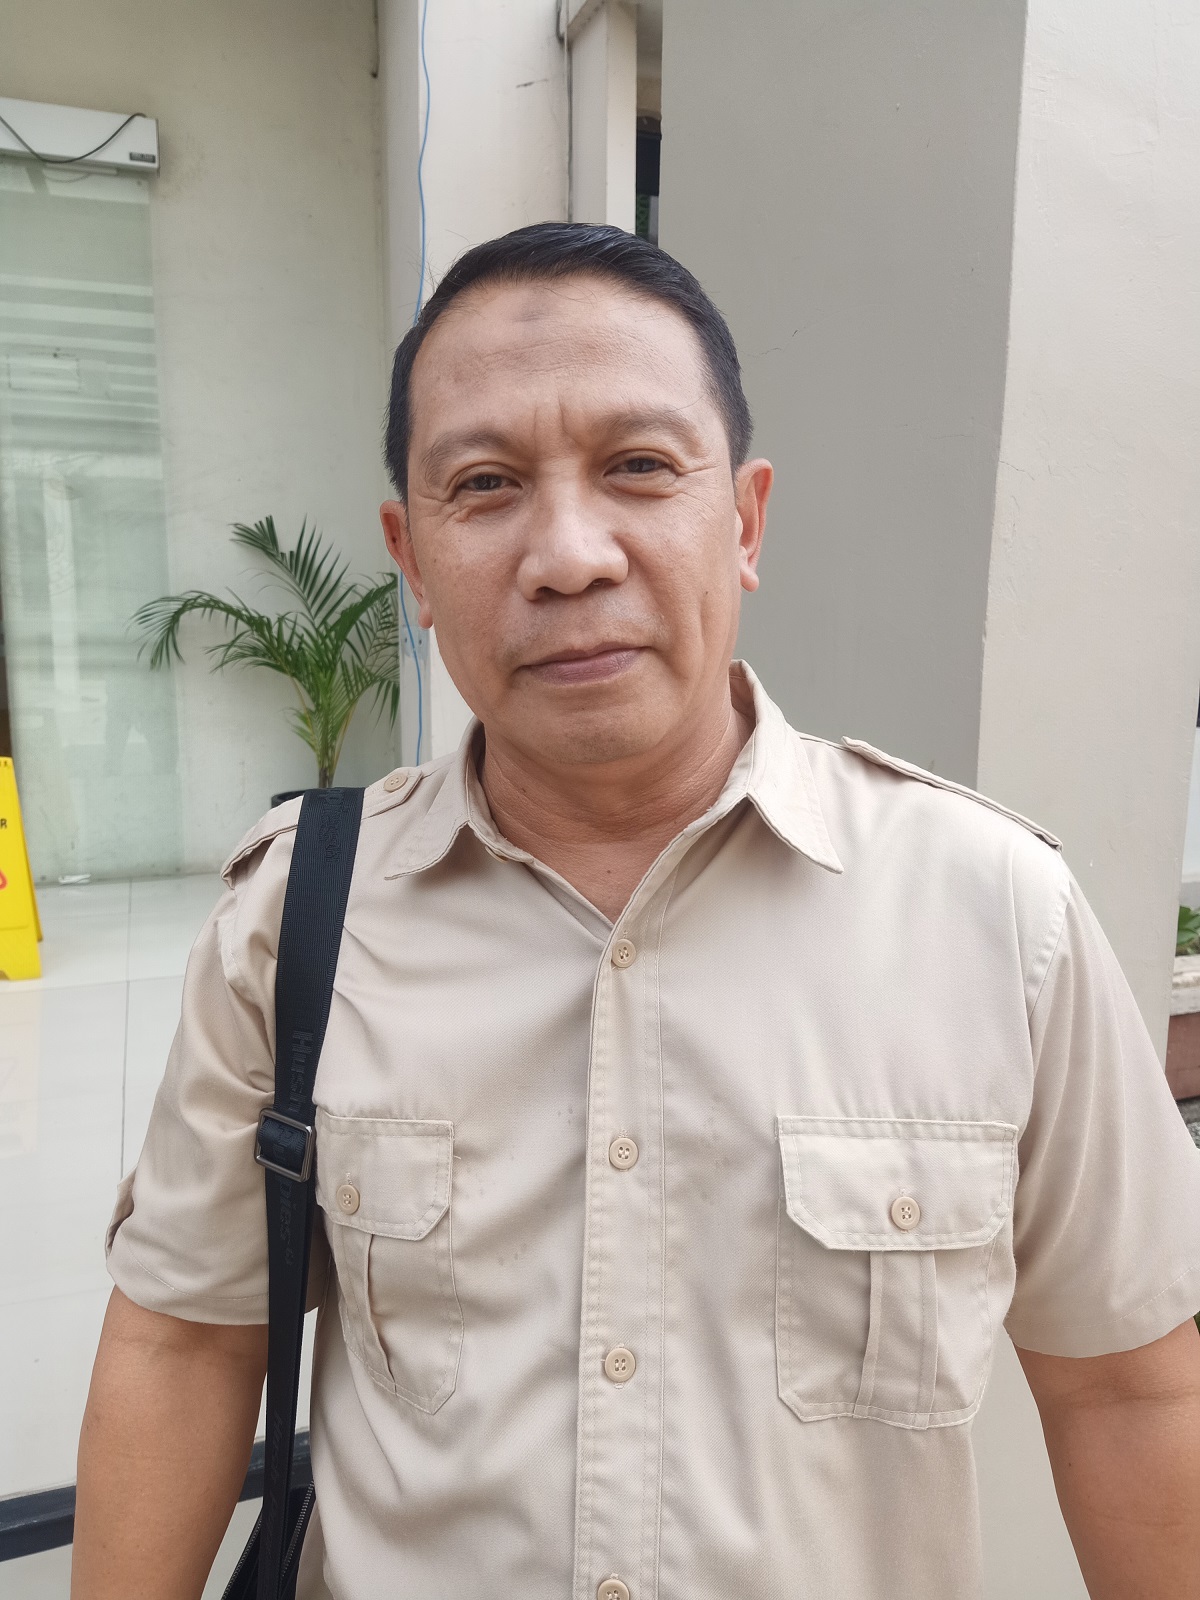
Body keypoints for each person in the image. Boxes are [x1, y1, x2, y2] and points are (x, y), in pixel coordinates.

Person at [74, 223, 1200, 1600]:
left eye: (641, 467)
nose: (568, 555)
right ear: (412, 559)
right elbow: (186, 1343)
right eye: (484, 485)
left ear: (745, 522)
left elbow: (1130, 1388)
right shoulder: (298, 920)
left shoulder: (996, 915)